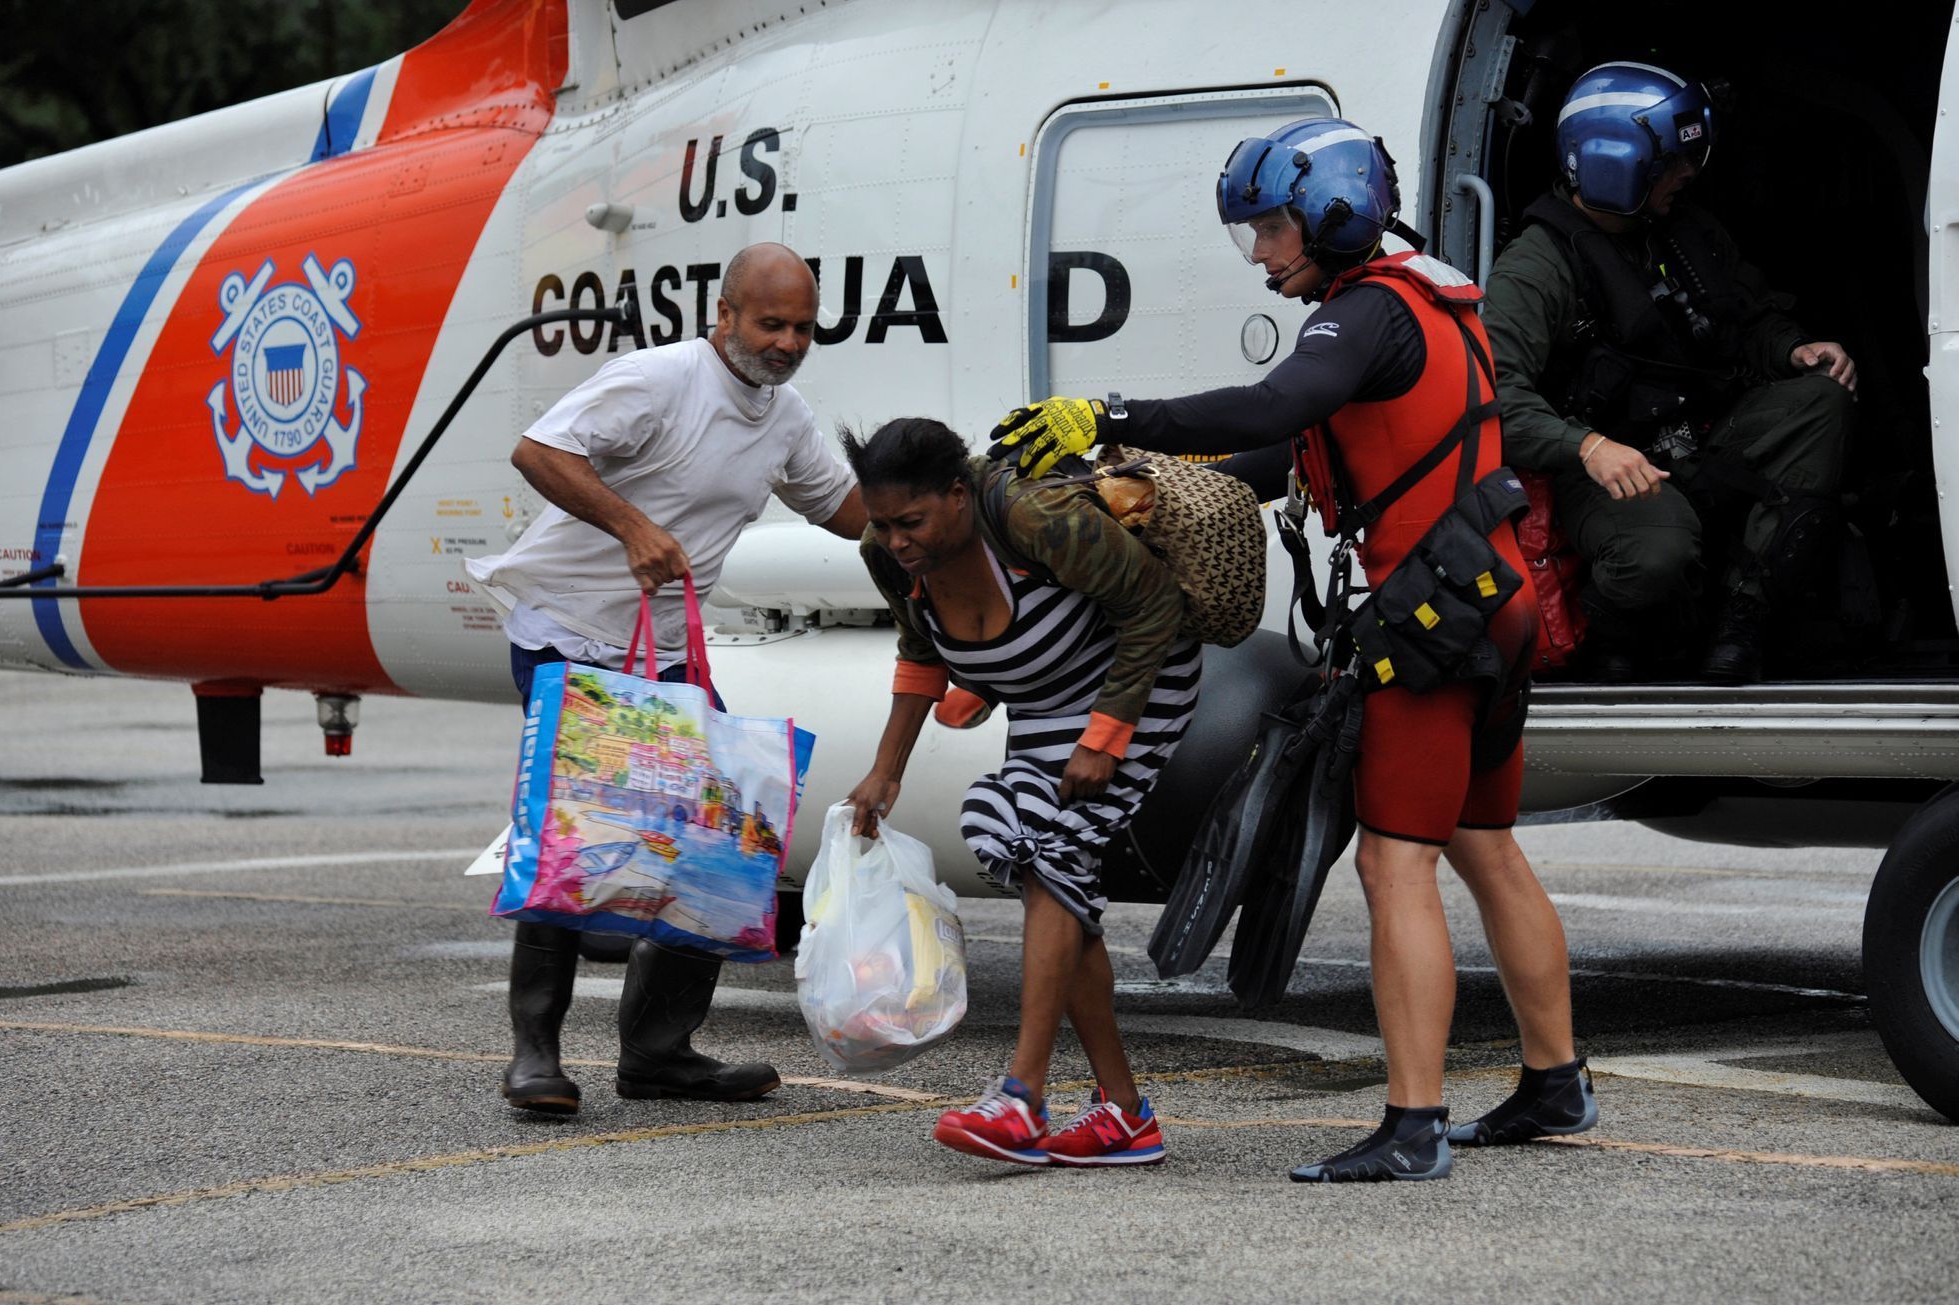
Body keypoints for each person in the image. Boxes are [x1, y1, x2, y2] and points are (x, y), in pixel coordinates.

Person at [988, 117, 1595, 1181]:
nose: (1261, 254)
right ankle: (1554, 1080)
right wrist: (1147, 475)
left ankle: (1412, 1126)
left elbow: (1277, 401)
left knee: (1390, 859)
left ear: (1331, 213)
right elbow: (1288, 446)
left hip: (1428, 626)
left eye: (1269, 229)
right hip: (1491, 605)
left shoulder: (1363, 313)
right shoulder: (1432, 302)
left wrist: (1105, 413)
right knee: (1483, 844)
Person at [466, 242, 867, 1114]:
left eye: (802, 327)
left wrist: (961, 500)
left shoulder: (786, 416)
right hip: (569, 632)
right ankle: (534, 1053)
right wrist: (631, 527)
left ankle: (658, 1050)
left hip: (670, 649)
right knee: (580, 839)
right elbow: (539, 452)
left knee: (726, 841)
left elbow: (849, 513)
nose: (787, 342)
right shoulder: (659, 379)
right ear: (722, 317)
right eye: (770, 323)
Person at [842, 416, 1200, 1167]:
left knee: (1045, 849)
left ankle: (1022, 1097)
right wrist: (886, 767)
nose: (896, 539)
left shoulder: (1037, 520)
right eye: (882, 524)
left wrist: (1106, 734)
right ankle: (1122, 1113)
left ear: (958, 493)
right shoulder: (889, 554)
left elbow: (1155, 606)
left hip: (1132, 682)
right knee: (1048, 871)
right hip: (1043, 702)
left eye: (910, 521)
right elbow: (917, 651)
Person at [1483, 62, 1855, 683]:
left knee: (1821, 399)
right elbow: (1493, 395)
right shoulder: (1536, 268)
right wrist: (1589, 446)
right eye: (1668, 165)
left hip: (1697, 430)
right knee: (1656, 554)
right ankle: (1629, 639)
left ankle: (1742, 619)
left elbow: (1745, 315)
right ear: (1616, 165)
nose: (1686, 174)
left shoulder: (1681, 231)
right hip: (1603, 463)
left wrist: (1794, 350)